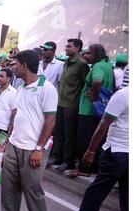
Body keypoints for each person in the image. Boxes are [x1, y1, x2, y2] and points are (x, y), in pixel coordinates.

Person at [0, 50, 58, 211]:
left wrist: (39, 148)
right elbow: (15, 117)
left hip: (33, 148)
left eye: (15, 64)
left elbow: (50, 121)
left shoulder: (46, 88)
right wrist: (6, 141)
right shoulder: (21, 88)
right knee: (8, 187)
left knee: (33, 190)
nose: (12, 67)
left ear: (24, 65)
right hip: (14, 145)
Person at [76, 87, 128, 211]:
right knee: (101, 188)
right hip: (117, 150)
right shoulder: (123, 95)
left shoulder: (123, 95)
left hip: (125, 151)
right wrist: (91, 151)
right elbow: (104, 124)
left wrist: (91, 151)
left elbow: (103, 124)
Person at [52, 39, 90, 173]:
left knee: (69, 135)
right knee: (58, 132)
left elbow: (87, 83)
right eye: (66, 46)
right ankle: (57, 157)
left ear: (77, 48)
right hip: (60, 102)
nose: (66, 48)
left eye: (69, 46)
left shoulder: (81, 64)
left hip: (72, 104)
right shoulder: (66, 63)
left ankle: (68, 162)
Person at [76, 44, 115, 176]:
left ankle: (84, 169)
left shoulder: (98, 66)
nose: (85, 56)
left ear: (97, 55)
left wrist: (94, 97)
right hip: (100, 109)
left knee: (84, 141)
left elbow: (97, 81)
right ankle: (93, 169)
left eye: (88, 53)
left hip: (89, 110)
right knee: (97, 140)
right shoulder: (108, 65)